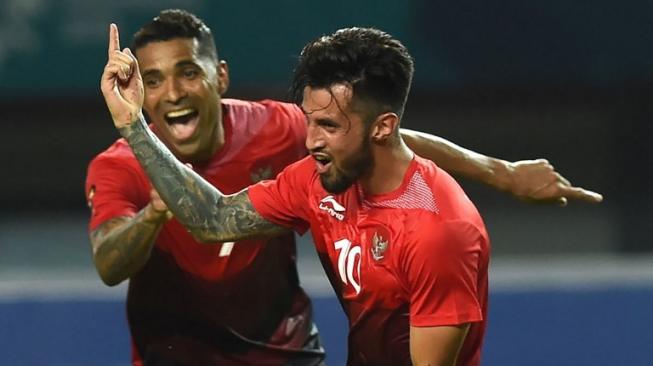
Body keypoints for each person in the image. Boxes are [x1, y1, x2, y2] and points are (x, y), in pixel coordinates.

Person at [94, 10, 601, 366]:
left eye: (327, 128)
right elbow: (213, 221)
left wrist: (499, 174)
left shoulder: (438, 233)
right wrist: (133, 127)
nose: (308, 140)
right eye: (310, 123)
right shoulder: (315, 176)